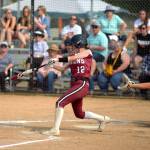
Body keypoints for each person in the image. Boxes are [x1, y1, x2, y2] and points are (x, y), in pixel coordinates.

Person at [43, 34, 111, 136]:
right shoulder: (73, 56)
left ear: (79, 44)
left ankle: (55, 129)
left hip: (82, 83)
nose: (72, 46)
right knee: (79, 114)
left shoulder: (87, 52)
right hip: (75, 84)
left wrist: (57, 59)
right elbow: (62, 69)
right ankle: (103, 119)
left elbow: (74, 57)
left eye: (73, 44)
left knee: (60, 102)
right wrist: (51, 64)